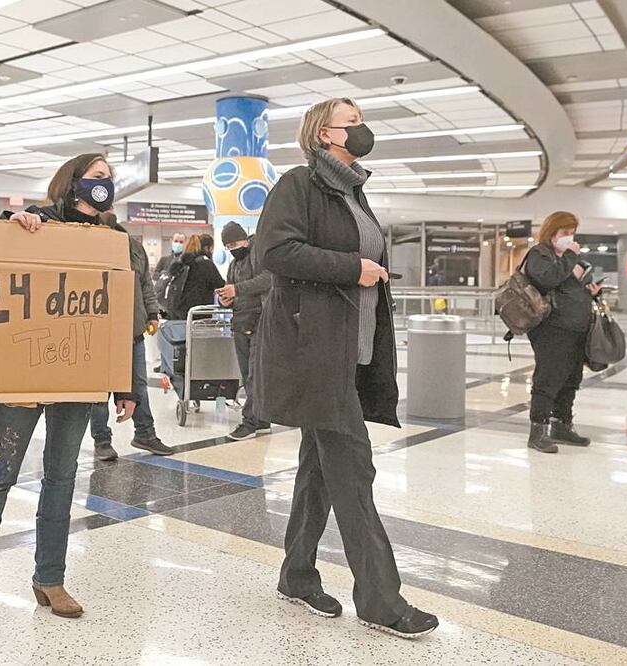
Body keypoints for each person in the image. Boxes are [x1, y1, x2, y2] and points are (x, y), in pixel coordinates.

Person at [252, 97, 438, 639]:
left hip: (349, 353)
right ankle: (382, 600)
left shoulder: (354, 190)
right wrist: (350, 268)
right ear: (324, 134)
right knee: (354, 470)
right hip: (314, 354)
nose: (362, 130)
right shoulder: (299, 184)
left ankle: (296, 574)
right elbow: (275, 253)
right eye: (352, 123)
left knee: (318, 471)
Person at [0, 154, 137, 646]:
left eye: (110, 180)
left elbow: (122, 316)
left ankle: (50, 578)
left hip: (78, 378)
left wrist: (126, 382)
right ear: (72, 184)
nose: (105, 187)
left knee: (63, 478)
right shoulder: (36, 225)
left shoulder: (114, 242)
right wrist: (14, 222)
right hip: (19, 379)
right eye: (97, 178)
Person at [90, 207, 172, 460]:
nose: (109, 211)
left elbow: (146, 283)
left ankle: (145, 433)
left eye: (111, 207)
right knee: (99, 388)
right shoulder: (87, 242)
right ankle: (102, 440)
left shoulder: (132, 246)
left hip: (132, 326)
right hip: (98, 328)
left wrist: (151, 314)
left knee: (138, 384)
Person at [523, 211, 600, 454]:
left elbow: (572, 289)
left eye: (572, 233)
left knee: (570, 379)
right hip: (552, 330)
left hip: (576, 329)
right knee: (548, 378)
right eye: (565, 233)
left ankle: (561, 425)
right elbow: (548, 279)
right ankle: (538, 431)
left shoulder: (570, 260)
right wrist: (569, 256)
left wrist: (593, 291)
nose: (570, 238)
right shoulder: (540, 255)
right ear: (552, 232)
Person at [216, 221, 272, 440]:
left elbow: (267, 279)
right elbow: (231, 288)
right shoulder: (234, 264)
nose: (232, 249)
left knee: (254, 375)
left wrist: (237, 289)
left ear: (245, 239)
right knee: (247, 374)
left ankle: (250, 422)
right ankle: (262, 420)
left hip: (260, 321)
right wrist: (226, 298)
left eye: (235, 243)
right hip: (241, 322)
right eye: (228, 246)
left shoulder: (259, 253)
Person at [156, 233, 225, 400]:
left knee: (179, 354)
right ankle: (197, 389)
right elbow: (220, 284)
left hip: (176, 317)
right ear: (209, 248)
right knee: (197, 355)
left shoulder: (181, 262)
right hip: (198, 318)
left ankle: (181, 388)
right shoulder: (206, 264)